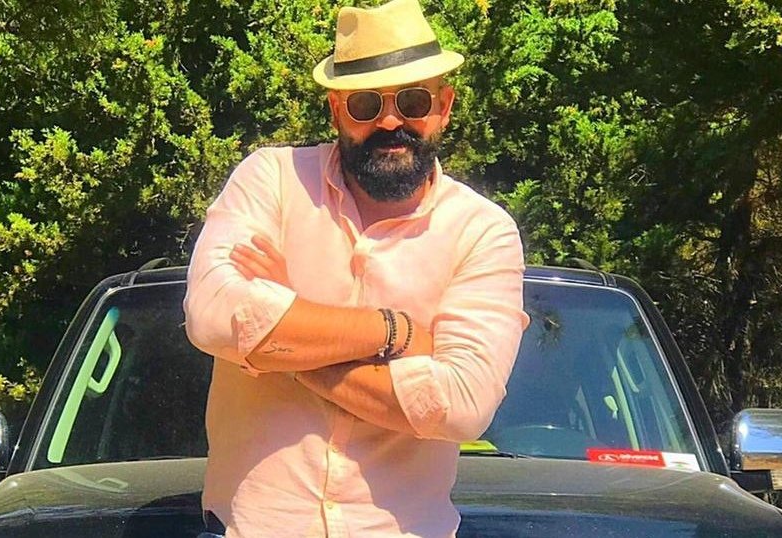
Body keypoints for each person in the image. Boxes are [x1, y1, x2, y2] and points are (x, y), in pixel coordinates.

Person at [183, 0, 528, 536]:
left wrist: (283, 337)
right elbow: (211, 317)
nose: (391, 121)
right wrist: (394, 331)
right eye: (366, 104)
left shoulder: (483, 231)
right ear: (336, 110)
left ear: (444, 106)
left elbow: (461, 405)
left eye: (412, 101)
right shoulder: (270, 180)